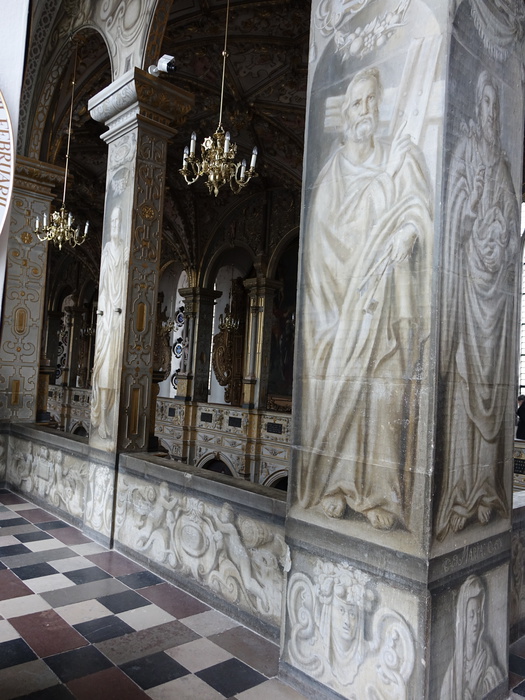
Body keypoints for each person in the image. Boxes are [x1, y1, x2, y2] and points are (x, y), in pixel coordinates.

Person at [296, 66, 433, 530]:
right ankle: (336, 486)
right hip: (341, 310)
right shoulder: (330, 176)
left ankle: (380, 494)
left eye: (372, 99)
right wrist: (340, 308)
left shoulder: (397, 157)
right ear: (346, 113)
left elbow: (417, 207)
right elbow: (321, 254)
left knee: (385, 392)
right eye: (357, 102)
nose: (365, 109)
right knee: (340, 389)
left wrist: (409, 231)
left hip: (386, 305)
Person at [436, 71, 517, 539]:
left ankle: (486, 489)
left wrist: (503, 238)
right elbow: (454, 205)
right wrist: (467, 214)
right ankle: (461, 490)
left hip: (494, 304)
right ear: (476, 106)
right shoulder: (466, 150)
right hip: (466, 289)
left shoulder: (503, 168)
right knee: (465, 386)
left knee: (489, 389)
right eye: (485, 103)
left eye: (496, 106)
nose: (491, 113)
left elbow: (510, 225)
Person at [91, 206, 126, 441]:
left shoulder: (125, 250)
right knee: (104, 369)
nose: (114, 226)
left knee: (113, 368)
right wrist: (103, 313)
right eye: (111, 222)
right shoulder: (106, 251)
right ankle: (102, 418)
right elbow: (103, 286)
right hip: (107, 317)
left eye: (117, 223)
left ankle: (110, 418)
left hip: (119, 315)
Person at [440, 575, 503, 699]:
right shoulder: (452, 674)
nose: (476, 622)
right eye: (471, 616)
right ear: (463, 621)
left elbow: (497, 687)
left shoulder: (486, 653)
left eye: (478, 614)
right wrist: (472, 686)